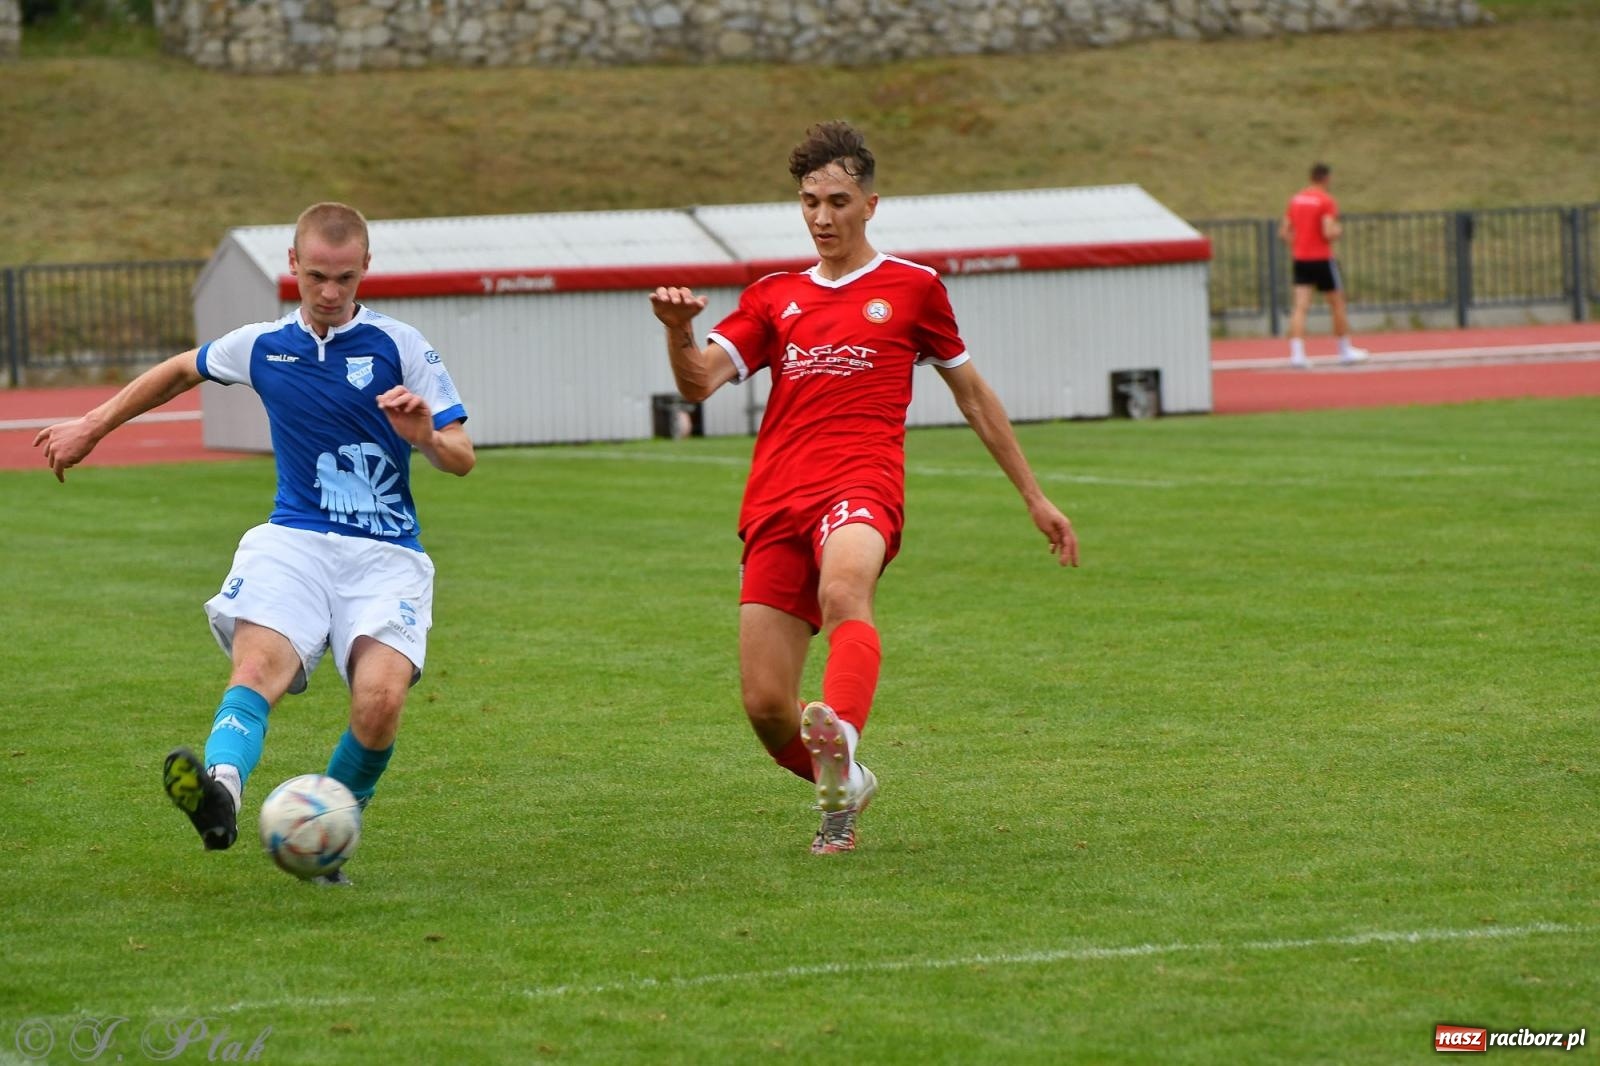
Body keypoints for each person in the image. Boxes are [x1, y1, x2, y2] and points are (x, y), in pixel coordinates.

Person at [648, 121, 1078, 855]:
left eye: (838, 201)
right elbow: (697, 384)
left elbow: (973, 395)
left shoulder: (914, 289)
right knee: (765, 707)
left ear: (871, 205)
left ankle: (841, 731)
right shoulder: (772, 297)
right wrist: (676, 332)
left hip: (862, 481)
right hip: (777, 497)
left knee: (845, 590)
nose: (821, 217)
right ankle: (845, 786)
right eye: (809, 201)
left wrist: (1034, 496)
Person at [33, 202, 474, 884]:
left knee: (380, 702)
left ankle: (327, 836)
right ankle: (220, 798)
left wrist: (424, 436)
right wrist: (94, 424)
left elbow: (461, 456)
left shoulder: (401, 347)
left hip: (386, 555)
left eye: (346, 278)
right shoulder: (264, 346)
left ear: (366, 271)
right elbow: (182, 369)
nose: (331, 292)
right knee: (256, 672)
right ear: (293, 266)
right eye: (319, 276)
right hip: (293, 540)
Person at [1280, 162, 1368, 368]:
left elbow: (1284, 232)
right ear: (1327, 178)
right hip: (1321, 258)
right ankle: (1344, 350)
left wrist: (1299, 244)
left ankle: (1297, 354)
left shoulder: (1296, 200)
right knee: (1337, 303)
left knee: (1300, 307)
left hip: (1300, 258)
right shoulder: (1325, 201)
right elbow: (1328, 231)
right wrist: (1339, 231)